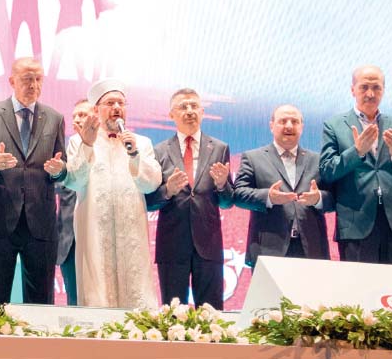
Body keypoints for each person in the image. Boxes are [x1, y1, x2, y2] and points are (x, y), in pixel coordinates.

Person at [0, 57, 67, 304]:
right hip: (0, 221)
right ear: (12, 81)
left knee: (41, 301)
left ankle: (37, 340)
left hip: (40, 223)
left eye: (38, 79)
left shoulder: (54, 118)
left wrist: (59, 170)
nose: (33, 85)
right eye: (26, 79)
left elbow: (61, 167)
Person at [63, 78, 161, 309]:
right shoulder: (79, 140)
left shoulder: (142, 142)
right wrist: (87, 145)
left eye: (121, 103)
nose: (117, 108)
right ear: (96, 109)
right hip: (95, 227)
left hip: (131, 230)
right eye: (110, 103)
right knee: (98, 289)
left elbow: (151, 184)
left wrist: (135, 153)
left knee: (135, 291)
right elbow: (75, 181)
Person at [319, 65, 392, 265]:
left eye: (376, 87)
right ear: (353, 90)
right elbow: (327, 171)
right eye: (364, 87)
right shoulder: (334, 125)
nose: (370, 93)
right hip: (356, 224)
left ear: (383, 90)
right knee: (358, 293)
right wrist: (356, 152)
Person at [146, 88, 233, 308]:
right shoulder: (158, 151)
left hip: (209, 244)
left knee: (212, 314)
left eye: (194, 106)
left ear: (202, 112)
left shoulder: (220, 148)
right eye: (183, 107)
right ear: (171, 115)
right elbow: (149, 202)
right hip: (172, 246)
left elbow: (227, 201)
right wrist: (168, 190)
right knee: (173, 315)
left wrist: (223, 184)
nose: (189, 111)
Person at [234, 104, 332, 268]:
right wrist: (268, 197)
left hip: (311, 250)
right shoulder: (252, 158)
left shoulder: (318, 160)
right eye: (283, 121)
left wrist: (318, 199)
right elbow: (238, 194)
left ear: (302, 127)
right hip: (268, 249)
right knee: (269, 295)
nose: (289, 126)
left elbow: (335, 197)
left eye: (294, 121)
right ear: (271, 125)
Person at [56, 99, 92, 305]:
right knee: (74, 300)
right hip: (69, 238)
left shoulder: (103, 148)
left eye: (83, 114)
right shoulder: (63, 148)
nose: (78, 119)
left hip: (95, 232)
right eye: (75, 115)